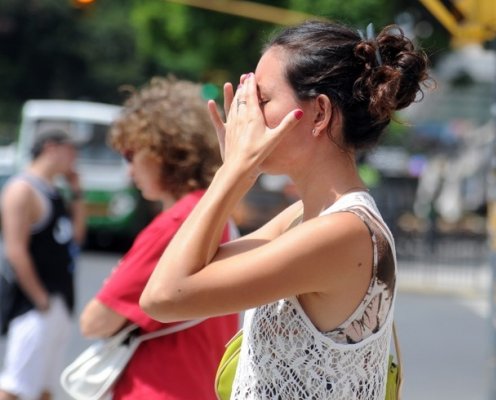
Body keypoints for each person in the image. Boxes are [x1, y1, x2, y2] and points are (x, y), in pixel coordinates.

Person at [141, 21, 429, 399]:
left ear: (320, 113)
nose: (247, 116)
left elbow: (164, 297)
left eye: (261, 100)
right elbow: (197, 266)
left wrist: (233, 172)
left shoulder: (343, 232)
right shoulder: (302, 218)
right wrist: (237, 175)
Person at [78, 77, 239, 399]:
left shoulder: (177, 223)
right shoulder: (214, 214)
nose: (128, 171)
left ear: (161, 152)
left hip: (157, 386)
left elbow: (95, 321)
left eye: (129, 155)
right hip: (200, 383)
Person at [0, 130, 86, 400]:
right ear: (51, 148)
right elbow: (15, 250)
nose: (75, 158)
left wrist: (77, 193)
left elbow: (76, 237)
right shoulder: (22, 190)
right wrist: (40, 299)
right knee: (16, 384)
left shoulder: (53, 190)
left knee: (44, 386)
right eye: (71, 150)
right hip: (33, 304)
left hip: (59, 298)